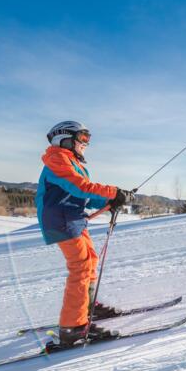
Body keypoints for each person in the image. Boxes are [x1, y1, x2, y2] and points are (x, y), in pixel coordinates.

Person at [36, 121, 134, 346]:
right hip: (61, 221)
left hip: (73, 219)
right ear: (65, 138)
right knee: (80, 266)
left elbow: (85, 195)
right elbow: (79, 187)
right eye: (82, 138)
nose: (85, 143)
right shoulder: (58, 159)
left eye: (87, 138)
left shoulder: (72, 162)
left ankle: (86, 308)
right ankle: (73, 327)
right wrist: (114, 192)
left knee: (89, 260)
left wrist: (112, 199)